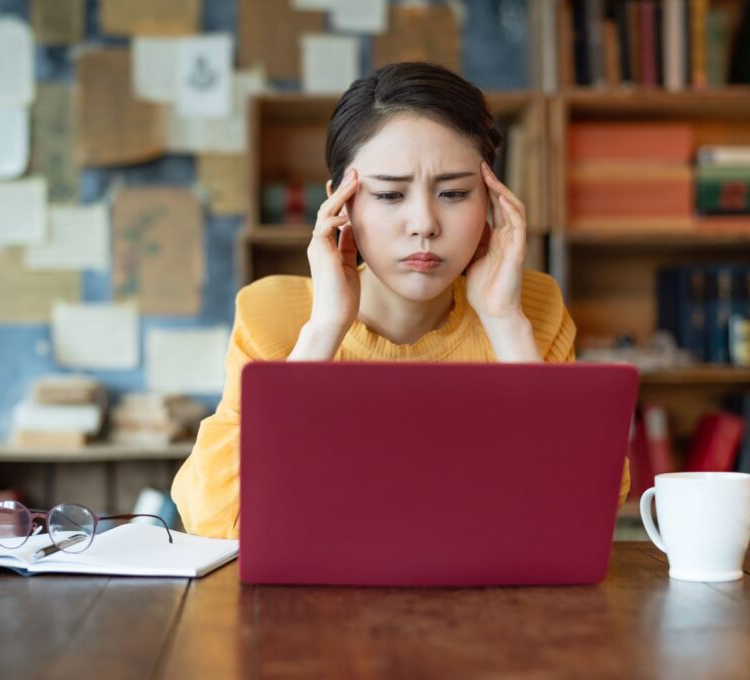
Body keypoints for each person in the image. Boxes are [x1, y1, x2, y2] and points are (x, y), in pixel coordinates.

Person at [172, 62, 631, 539]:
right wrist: (324, 330)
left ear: (492, 203)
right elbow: (216, 519)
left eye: (454, 192)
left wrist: (505, 325)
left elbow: (587, 506)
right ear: (341, 207)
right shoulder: (275, 315)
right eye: (390, 195)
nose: (424, 224)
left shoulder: (531, 308)